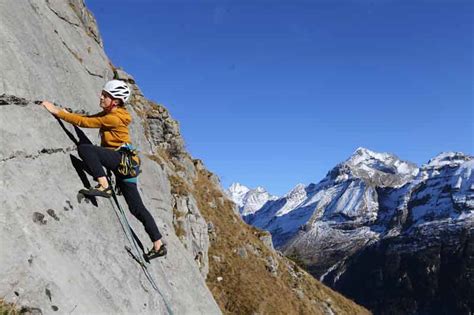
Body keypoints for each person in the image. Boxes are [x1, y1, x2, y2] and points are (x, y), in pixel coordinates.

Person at [41, 80, 166, 260]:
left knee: (85, 149)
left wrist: (57, 112)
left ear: (114, 101)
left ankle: (104, 185)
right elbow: (91, 118)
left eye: (105, 96)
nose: (101, 97)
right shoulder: (113, 113)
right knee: (136, 208)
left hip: (122, 162)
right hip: (128, 166)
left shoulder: (113, 117)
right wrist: (70, 115)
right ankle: (158, 244)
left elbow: (86, 122)